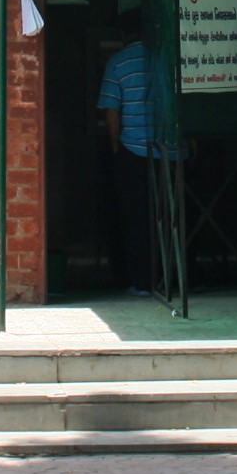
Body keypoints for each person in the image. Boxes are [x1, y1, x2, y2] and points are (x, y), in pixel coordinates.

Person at [96, 37, 173, 295]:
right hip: (174, 150)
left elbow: (112, 113)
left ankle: (143, 282)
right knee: (176, 217)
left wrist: (116, 148)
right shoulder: (172, 59)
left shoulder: (118, 62)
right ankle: (180, 279)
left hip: (135, 150)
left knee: (137, 219)